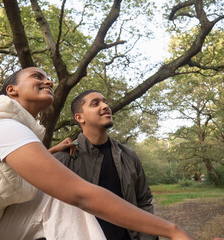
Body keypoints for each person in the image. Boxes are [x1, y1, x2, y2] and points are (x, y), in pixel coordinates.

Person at [0, 67, 194, 240]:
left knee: (60, 201)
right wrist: (171, 230)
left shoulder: (23, 134)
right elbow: (81, 194)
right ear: (11, 90)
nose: (48, 81)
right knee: (70, 198)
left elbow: (6, 170)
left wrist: (51, 150)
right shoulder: (2, 126)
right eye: (37, 76)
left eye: (49, 78)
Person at [53, 90, 156, 240]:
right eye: (95, 103)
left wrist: (147, 238)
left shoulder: (128, 155)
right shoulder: (63, 159)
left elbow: (144, 201)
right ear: (79, 117)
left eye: (105, 101)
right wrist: (48, 152)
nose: (105, 106)